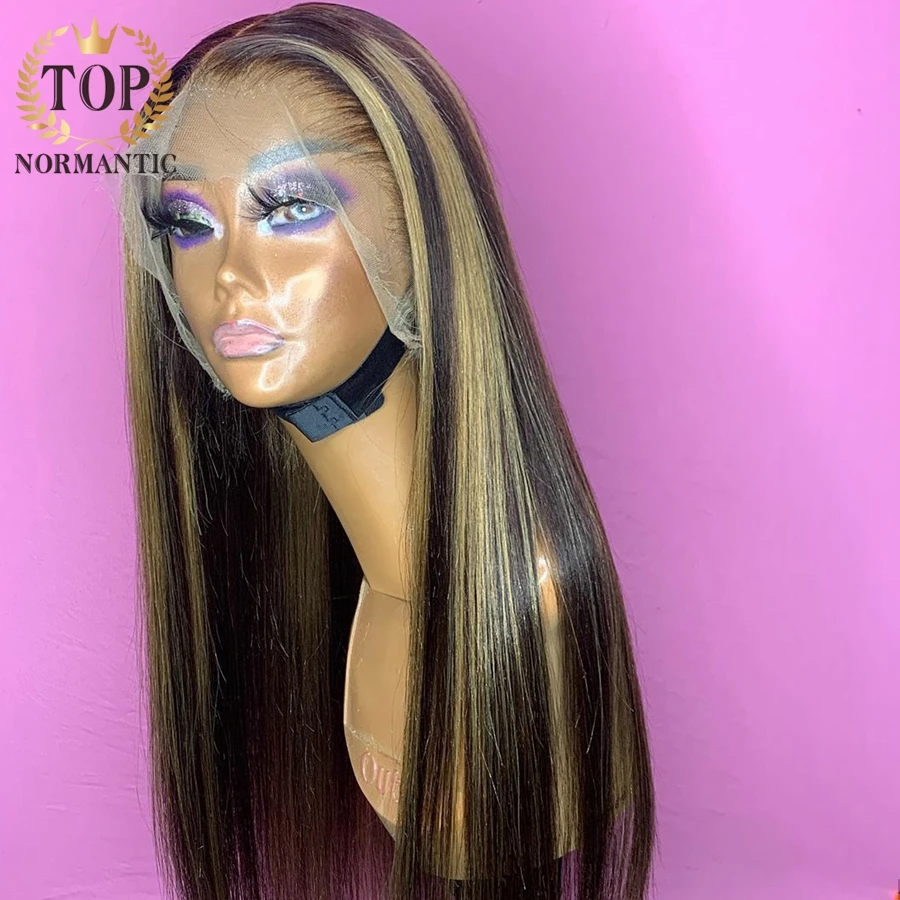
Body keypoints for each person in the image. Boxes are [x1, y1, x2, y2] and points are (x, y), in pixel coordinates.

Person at [116, 4, 656, 898]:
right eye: (187, 222)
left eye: (291, 207)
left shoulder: (529, 610)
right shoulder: (361, 580)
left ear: (419, 235)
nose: (229, 278)